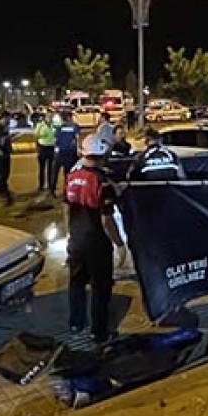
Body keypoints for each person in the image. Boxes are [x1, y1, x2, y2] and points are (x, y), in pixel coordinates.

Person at [64, 133, 124, 344]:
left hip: (76, 241)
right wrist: (119, 243)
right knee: (101, 288)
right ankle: (99, 333)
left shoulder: (72, 176)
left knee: (76, 284)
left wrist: (69, 234)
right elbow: (107, 219)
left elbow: (66, 209)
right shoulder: (102, 181)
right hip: (96, 244)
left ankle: (75, 323)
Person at [51, 114, 80, 196]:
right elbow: (77, 138)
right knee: (67, 173)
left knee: (55, 172)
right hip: (70, 152)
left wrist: (56, 151)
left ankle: (52, 190)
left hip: (60, 152)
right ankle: (66, 191)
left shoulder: (59, 127)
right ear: (70, 118)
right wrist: (78, 149)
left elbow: (56, 139)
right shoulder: (75, 126)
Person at [34, 114, 57, 192]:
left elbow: (57, 134)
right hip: (43, 147)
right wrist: (42, 135)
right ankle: (41, 185)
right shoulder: (40, 125)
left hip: (51, 147)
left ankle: (50, 185)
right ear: (45, 118)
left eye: (51, 117)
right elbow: (36, 135)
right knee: (42, 168)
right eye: (48, 117)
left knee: (51, 168)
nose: (50, 119)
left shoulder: (54, 125)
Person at [0, 111, 15, 204]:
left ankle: (5, 193)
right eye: (7, 119)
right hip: (1, 155)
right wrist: (7, 138)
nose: (8, 121)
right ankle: (5, 195)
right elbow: (0, 142)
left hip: (6, 154)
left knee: (6, 175)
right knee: (2, 176)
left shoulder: (5, 128)